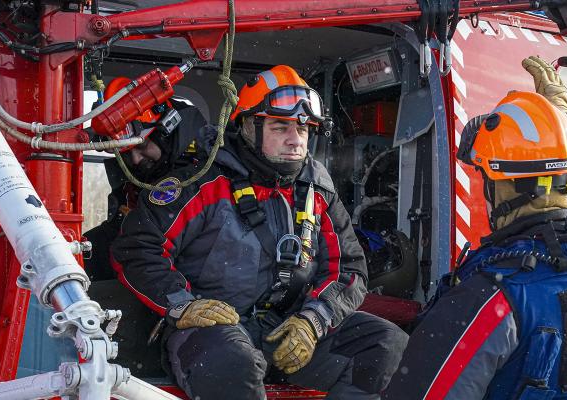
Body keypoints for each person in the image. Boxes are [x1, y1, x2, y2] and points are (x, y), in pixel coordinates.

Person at [111, 65, 408, 400]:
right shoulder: (203, 182)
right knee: (231, 362)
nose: (295, 139)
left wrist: (312, 321)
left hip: (288, 329)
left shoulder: (318, 191)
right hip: (209, 331)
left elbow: (348, 270)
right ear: (250, 127)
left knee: (386, 345)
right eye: (280, 127)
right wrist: (182, 305)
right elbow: (138, 247)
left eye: (303, 129)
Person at [383, 57, 567, 400]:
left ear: (506, 188)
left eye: (488, 180)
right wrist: (563, 123)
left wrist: (563, 122)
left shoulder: (489, 298)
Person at [84, 76, 207, 281]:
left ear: (165, 133)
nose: (135, 159)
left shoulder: (203, 173)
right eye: (124, 153)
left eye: (141, 147)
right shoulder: (135, 182)